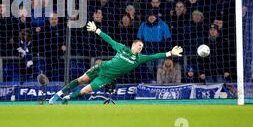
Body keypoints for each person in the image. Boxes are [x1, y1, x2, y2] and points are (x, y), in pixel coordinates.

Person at [49, 21, 183, 104]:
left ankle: (65, 99)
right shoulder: (122, 48)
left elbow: (155, 56)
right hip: (101, 68)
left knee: (84, 91)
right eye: (138, 45)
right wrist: (97, 30)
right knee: (81, 79)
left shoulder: (140, 58)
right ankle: (58, 94)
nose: (140, 48)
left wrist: (170, 53)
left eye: (142, 47)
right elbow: (109, 40)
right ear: (133, 45)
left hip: (106, 78)